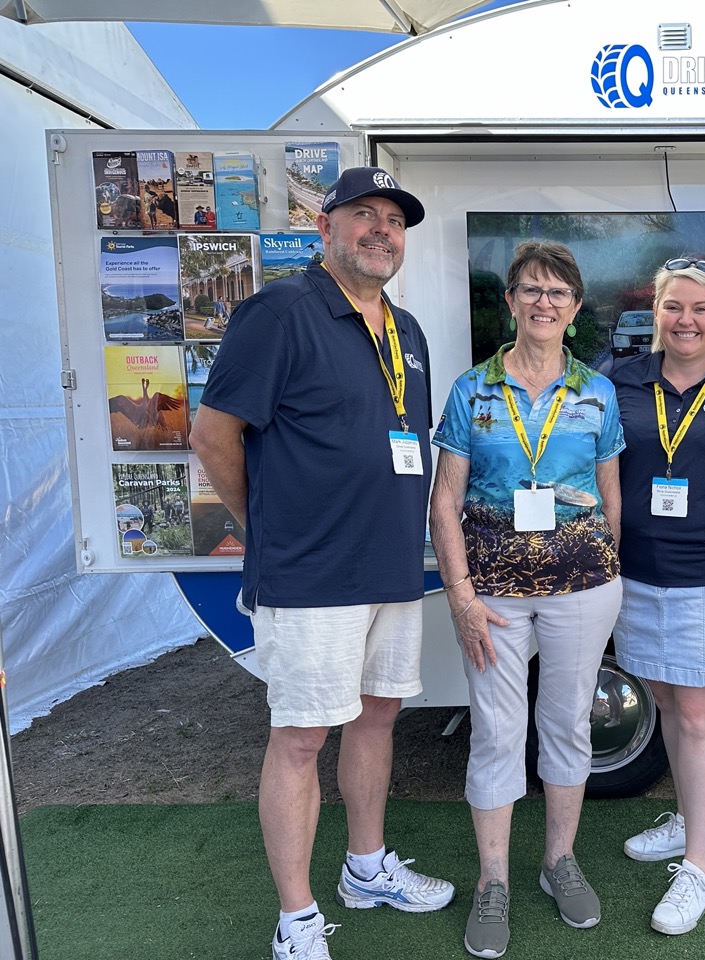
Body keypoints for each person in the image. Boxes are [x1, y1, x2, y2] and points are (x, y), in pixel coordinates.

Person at [189, 167, 452, 960]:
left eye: (394, 221)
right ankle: (297, 918)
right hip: (309, 575)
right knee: (301, 739)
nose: (381, 230)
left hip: (390, 566)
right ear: (326, 229)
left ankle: (366, 867)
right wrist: (264, 527)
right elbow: (212, 436)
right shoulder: (280, 312)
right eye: (363, 215)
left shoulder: (405, 330)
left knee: (378, 717)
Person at [429, 240, 624, 960]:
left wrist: (609, 568)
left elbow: (610, 495)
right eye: (532, 290)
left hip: (582, 588)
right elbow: (444, 502)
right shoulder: (470, 391)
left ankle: (558, 862)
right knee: (497, 732)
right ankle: (493, 882)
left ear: (574, 311)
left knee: (569, 726)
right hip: (494, 596)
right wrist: (461, 597)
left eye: (559, 293)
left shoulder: (596, 393)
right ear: (509, 301)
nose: (545, 302)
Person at [608, 258, 705, 935]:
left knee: (698, 711)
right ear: (656, 314)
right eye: (674, 307)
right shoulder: (620, 381)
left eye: (700, 308)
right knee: (665, 697)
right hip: (636, 572)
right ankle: (685, 817)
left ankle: (699, 867)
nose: (686, 320)